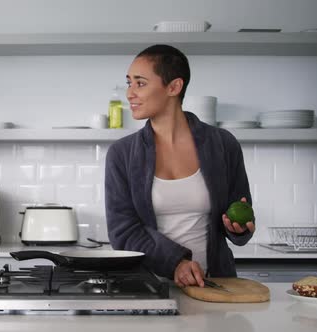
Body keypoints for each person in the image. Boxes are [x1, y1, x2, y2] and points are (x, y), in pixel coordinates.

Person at [105, 44, 255, 288]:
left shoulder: (223, 144)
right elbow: (124, 232)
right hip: (148, 287)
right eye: (129, 82)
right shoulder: (121, 154)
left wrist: (238, 229)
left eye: (140, 83)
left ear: (174, 87)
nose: (129, 93)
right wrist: (177, 263)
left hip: (213, 286)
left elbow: (240, 215)